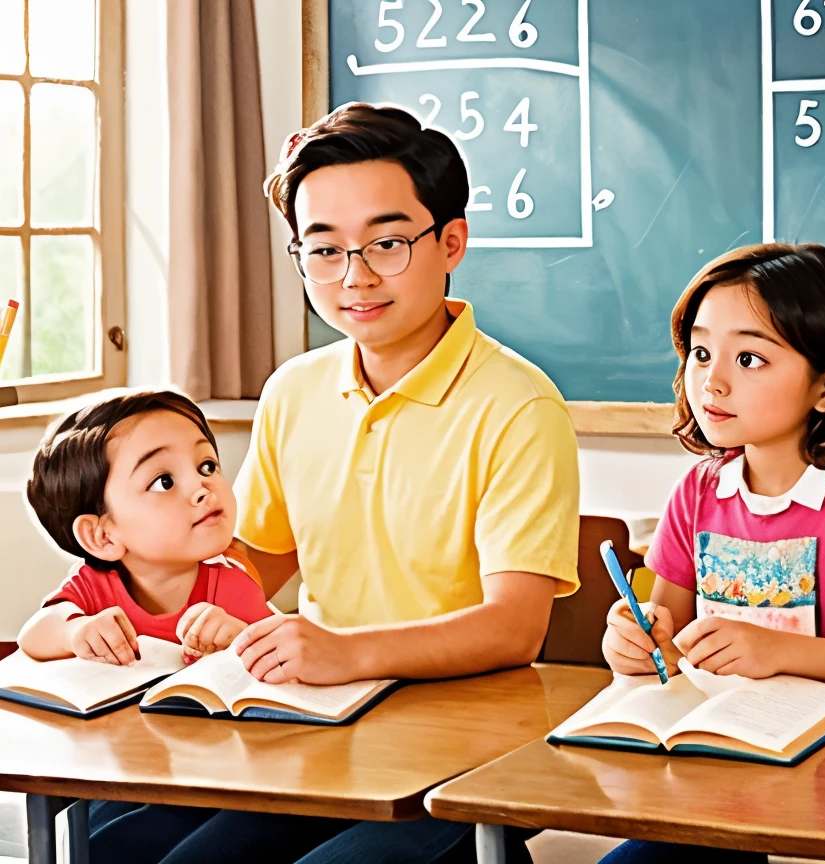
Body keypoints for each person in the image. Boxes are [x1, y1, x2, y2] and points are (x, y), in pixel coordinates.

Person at [90, 102, 581, 864]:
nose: (354, 277)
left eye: (387, 243)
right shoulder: (294, 389)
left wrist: (346, 650)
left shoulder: (518, 404)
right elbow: (256, 562)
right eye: (323, 250)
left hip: (458, 747)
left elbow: (513, 627)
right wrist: (145, 611)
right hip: (315, 720)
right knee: (112, 841)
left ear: (451, 240)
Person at [599, 243, 825, 864]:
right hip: (712, 763)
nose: (713, 381)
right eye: (700, 353)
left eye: (749, 358)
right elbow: (663, 627)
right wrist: (636, 641)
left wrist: (773, 650)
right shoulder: (697, 490)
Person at [19, 390, 271, 666]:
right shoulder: (93, 585)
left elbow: (281, 658)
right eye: (164, 481)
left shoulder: (233, 588)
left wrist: (239, 639)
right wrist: (74, 631)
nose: (201, 487)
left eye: (207, 466)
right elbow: (32, 635)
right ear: (102, 536)